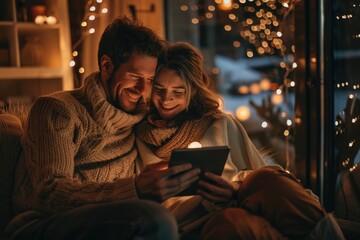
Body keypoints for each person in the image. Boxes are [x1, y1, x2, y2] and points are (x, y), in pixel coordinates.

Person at [3, 17, 202, 240]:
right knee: (155, 219)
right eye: (135, 76)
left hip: (112, 221)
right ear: (107, 66)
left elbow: (182, 121)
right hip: (40, 223)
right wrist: (133, 189)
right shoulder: (57, 109)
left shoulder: (141, 116)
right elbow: (49, 193)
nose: (143, 89)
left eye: (150, 79)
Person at [135, 42, 340, 239]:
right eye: (159, 90)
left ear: (194, 91)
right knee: (233, 222)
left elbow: (257, 171)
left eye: (178, 92)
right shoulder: (142, 136)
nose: (165, 99)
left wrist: (233, 189)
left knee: (268, 178)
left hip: (236, 200)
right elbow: (148, 198)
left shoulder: (220, 123)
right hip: (194, 220)